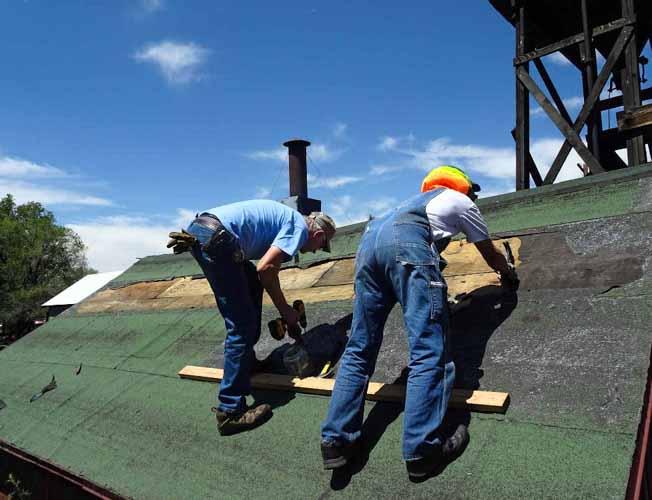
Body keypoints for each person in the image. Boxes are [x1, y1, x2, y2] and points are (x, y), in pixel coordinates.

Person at [319, 166, 518, 481]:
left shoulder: (411, 203)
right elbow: (489, 253)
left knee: (359, 348)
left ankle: (336, 443)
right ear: (464, 187)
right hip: (406, 247)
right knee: (428, 351)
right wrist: (509, 274)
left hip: (368, 248)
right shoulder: (460, 201)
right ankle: (422, 451)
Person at [167, 200, 336, 436]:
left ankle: (247, 363)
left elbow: (260, 272)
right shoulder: (299, 227)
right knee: (241, 326)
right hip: (220, 239)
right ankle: (230, 411)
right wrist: (286, 311)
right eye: (322, 245)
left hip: (205, 231)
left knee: (250, 285)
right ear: (318, 233)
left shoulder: (289, 219)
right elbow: (266, 269)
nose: (317, 250)